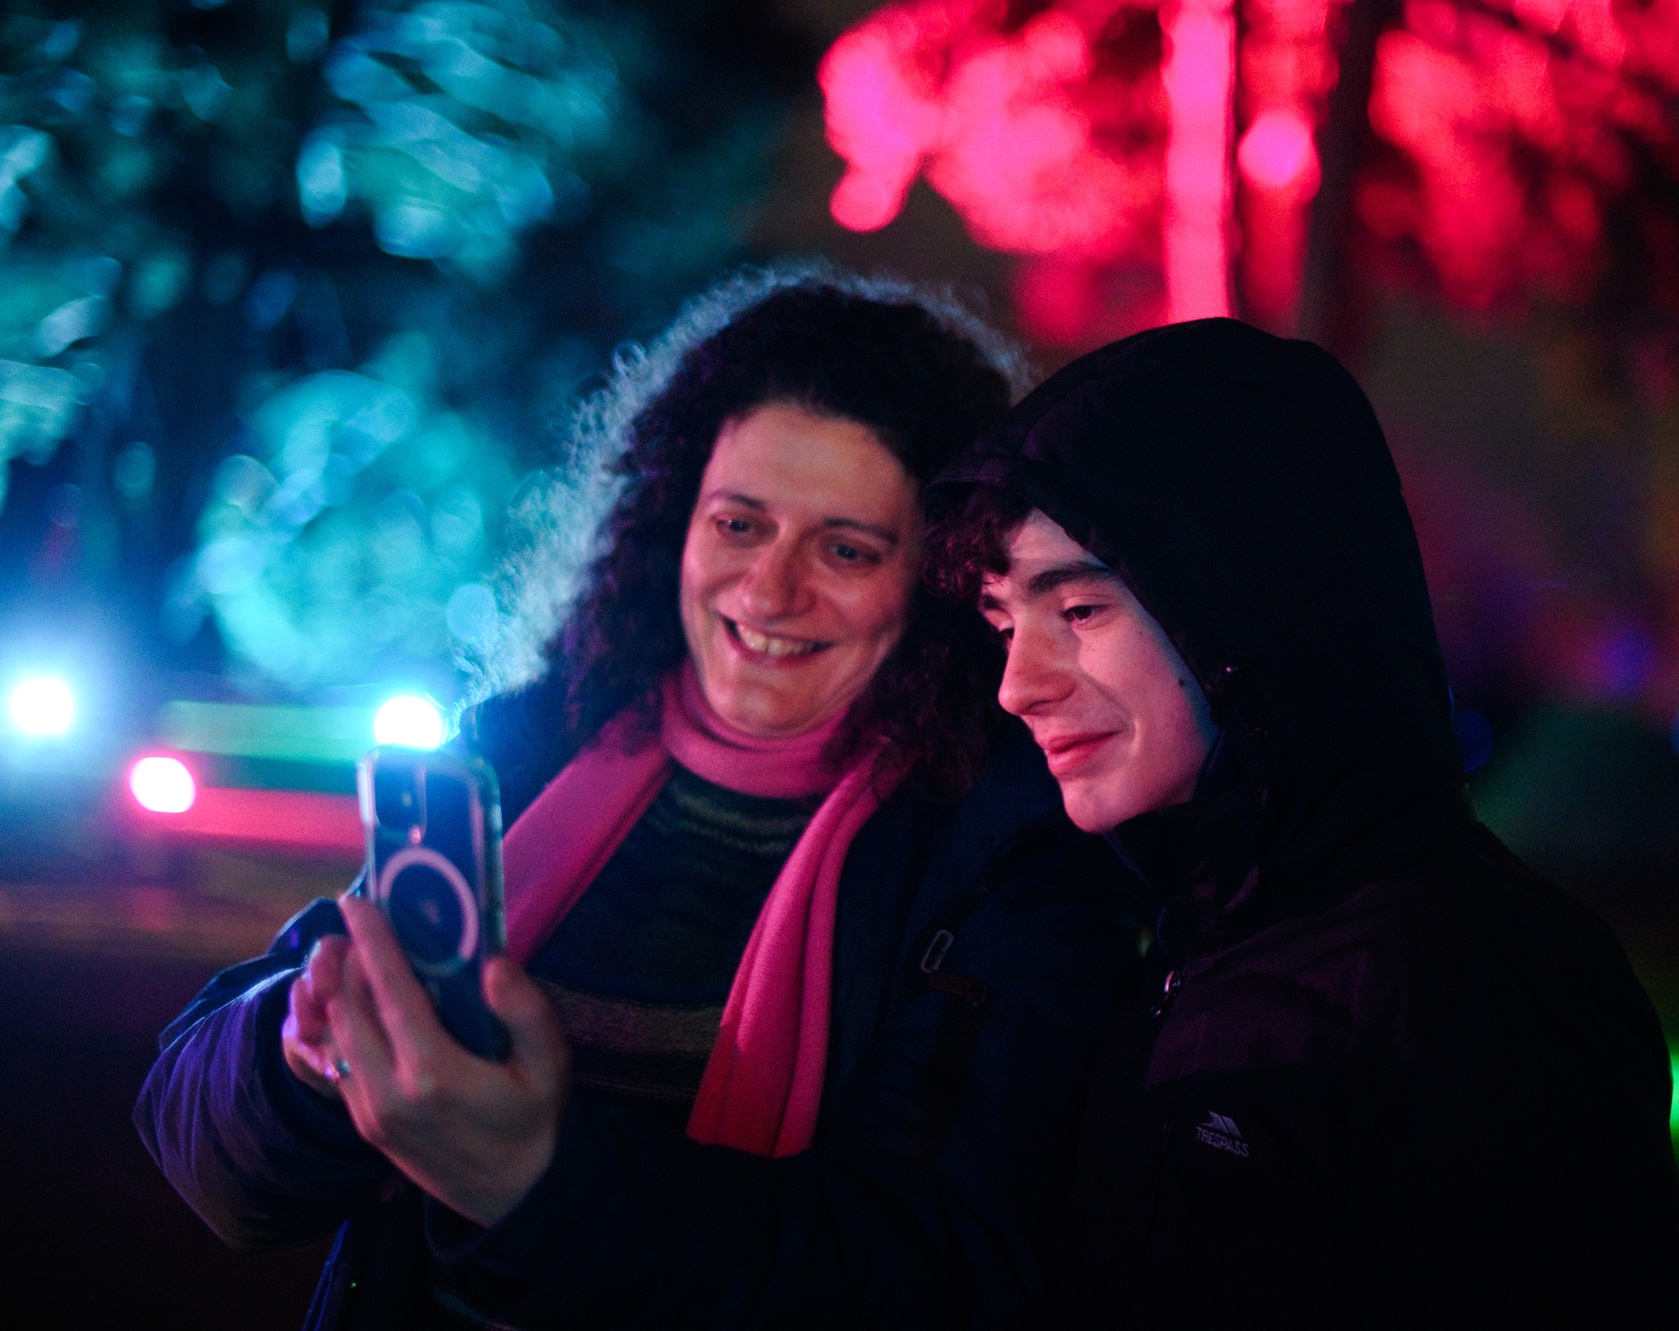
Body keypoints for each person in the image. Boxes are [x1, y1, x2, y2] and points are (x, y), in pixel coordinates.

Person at [137, 270, 1145, 1329]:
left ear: (937, 582)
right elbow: (204, 1157)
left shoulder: (1003, 851)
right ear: (672, 522)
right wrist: (301, 1057)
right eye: (739, 524)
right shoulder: (525, 751)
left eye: (846, 548)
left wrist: (537, 1179)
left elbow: (943, 1273)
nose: (769, 590)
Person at [928, 318, 1679, 1326]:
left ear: (1247, 603)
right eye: (1001, 625)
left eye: (1078, 611)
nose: (1018, 685)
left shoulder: (1483, 989)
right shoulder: (1187, 936)